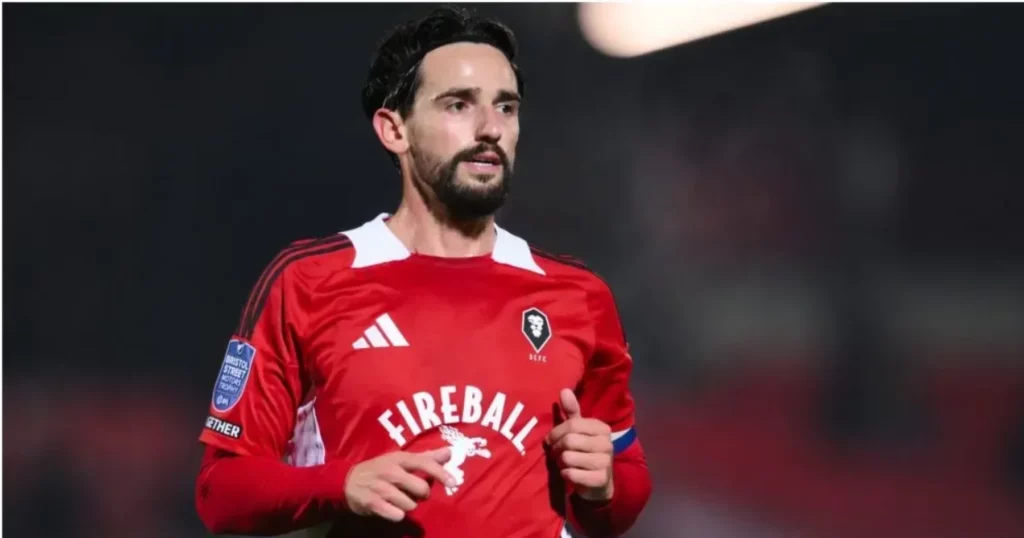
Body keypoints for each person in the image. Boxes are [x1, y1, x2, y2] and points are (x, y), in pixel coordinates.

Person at [194, 6, 651, 537]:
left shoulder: (579, 295)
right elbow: (220, 492)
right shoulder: (309, 282)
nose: (490, 129)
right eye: (458, 105)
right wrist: (340, 484)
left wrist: (604, 487)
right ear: (394, 129)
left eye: (506, 107)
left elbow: (623, 494)